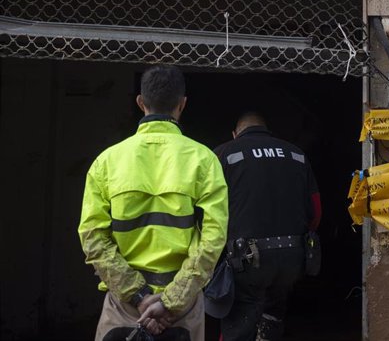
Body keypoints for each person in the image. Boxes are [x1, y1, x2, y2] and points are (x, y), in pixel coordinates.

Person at [78, 65, 228, 341]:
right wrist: (169, 302)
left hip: (124, 307)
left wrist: (139, 297)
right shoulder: (205, 160)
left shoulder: (106, 162)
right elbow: (213, 240)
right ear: (182, 105)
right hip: (182, 309)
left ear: (140, 102)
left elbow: (93, 238)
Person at [212, 111, 321, 341]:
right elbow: (316, 212)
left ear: (235, 134)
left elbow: (209, 213)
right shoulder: (296, 154)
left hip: (245, 262)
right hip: (291, 260)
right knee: (271, 321)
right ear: (268, 131)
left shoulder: (224, 154)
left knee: (239, 327)